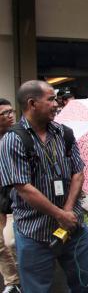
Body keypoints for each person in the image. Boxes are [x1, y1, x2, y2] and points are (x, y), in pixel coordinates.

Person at [0, 81, 88, 292]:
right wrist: (59, 214)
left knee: (85, 283)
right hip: (35, 234)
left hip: (73, 228)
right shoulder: (12, 140)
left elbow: (78, 172)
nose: (56, 103)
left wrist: (68, 211)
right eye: (50, 99)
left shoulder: (64, 133)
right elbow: (23, 186)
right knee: (37, 289)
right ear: (32, 103)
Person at [0, 99, 21, 293]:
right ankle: (12, 281)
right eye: (4, 113)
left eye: (11, 111)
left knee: (11, 242)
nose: (10, 115)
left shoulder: (18, 137)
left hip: (16, 197)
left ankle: (21, 276)